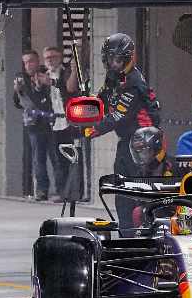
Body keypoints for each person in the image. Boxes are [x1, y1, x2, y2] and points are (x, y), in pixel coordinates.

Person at [84, 33, 161, 231]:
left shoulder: (134, 82)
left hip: (145, 144)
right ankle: (126, 234)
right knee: (122, 191)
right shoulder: (114, 76)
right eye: (110, 59)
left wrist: (94, 129)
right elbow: (101, 99)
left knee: (139, 195)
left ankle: (143, 234)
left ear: (127, 58)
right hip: (127, 142)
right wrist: (86, 105)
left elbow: (119, 115)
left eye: (117, 59)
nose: (113, 64)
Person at [13, 50, 57, 201]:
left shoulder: (46, 74)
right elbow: (19, 103)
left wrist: (40, 86)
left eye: (31, 61)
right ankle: (42, 190)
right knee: (38, 158)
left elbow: (48, 97)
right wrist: (17, 91)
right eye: (25, 62)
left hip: (51, 121)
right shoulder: (21, 78)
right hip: (33, 123)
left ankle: (60, 190)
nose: (28, 65)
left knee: (55, 156)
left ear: (38, 61)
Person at [42, 46, 80, 202]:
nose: (50, 60)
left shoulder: (66, 73)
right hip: (53, 122)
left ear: (59, 58)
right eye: (47, 58)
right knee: (57, 159)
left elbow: (69, 89)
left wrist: (51, 82)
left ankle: (73, 192)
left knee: (71, 157)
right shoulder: (42, 76)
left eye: (53, 57)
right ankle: (61, 191)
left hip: (68, 121)